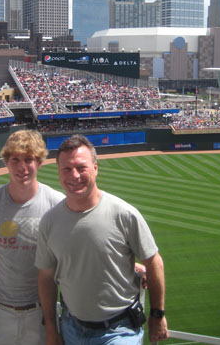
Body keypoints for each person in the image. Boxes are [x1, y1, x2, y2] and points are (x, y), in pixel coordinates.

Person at [36, 134, 168, 345]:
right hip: (71, 328)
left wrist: (157, 315)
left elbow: (154, 262)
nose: (74, 175)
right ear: (58, 172)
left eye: (82, 167)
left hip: (120, 331)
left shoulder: (124, 214)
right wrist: (52, 328)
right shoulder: (49, 221)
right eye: (67, 169)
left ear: (95, 168)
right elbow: (45, 277)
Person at [0, 130, 64, 344]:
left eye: (29, 159)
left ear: (39, 162)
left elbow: (79, 249)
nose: (22, 167)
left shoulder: (57, 204)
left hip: (41, 314)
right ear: (6, 162)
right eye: (15, 160)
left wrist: (127, 264)